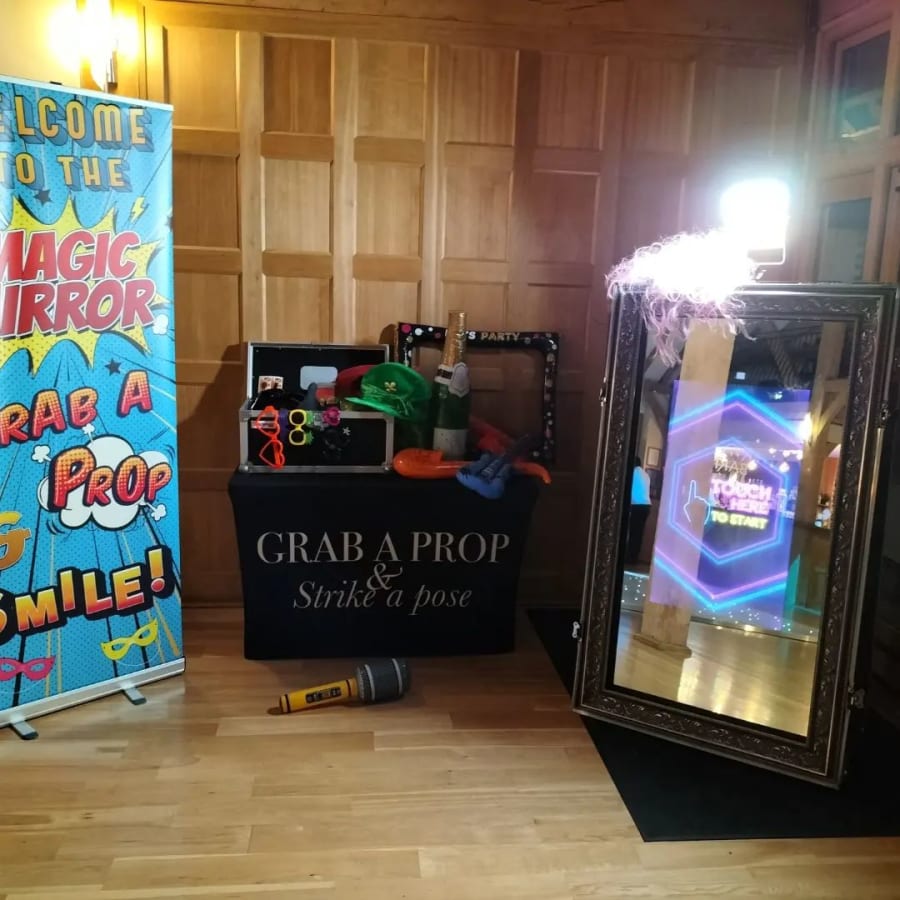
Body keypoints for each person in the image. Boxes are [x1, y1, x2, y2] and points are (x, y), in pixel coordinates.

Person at [628, 456, 652, 564]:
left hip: (636, 506)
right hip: (646, 506)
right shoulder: (646, 475)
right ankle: (634, 557)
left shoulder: (633, 473)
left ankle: (630, 558)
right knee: (639, 533)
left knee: (633, 532)